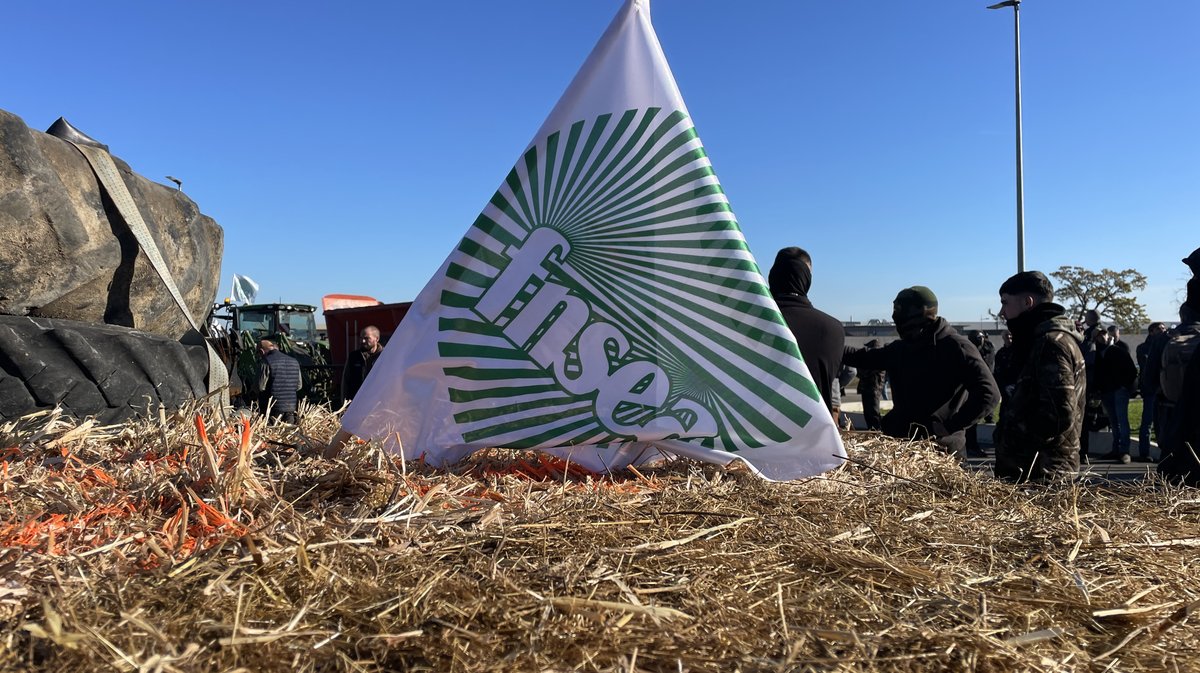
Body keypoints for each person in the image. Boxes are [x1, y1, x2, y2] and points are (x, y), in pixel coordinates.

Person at [842, 286, 999, 459]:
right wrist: (827, 341)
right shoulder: (902, 349)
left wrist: (950, 426)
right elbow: (862, 357)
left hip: (942, 454)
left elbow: (989, 394)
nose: (901, 329)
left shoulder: (956, 347)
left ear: (922, 318)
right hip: (904, 448)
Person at [990, 272, 1086, 482]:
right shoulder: (1036, 341)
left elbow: (1059, 414)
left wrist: (1013, 441)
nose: (1002, 312)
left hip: (1042, 473)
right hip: (1033, 469)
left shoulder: (1051, 343)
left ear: (1027, 302)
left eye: (1005, 303)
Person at [768, 247, 845, 421]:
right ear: (807, 279)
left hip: (754, 438)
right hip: (814, 437)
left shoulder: (748, 322)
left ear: (772, 276)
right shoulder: (832, 329)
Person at [1093, 328, 1137, 463]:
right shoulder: (1097, 354)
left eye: (1103, 335)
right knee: (1114, 421)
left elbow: (1132, 370)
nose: (1102, 338)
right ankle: (1117, 449)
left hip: (1118, 390)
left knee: (1121, 421)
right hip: (1107, 391)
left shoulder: (1117, 351)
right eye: (1098, 336)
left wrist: (1124, 386)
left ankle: (1124, 450)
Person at [1136, 321, 1168, 461]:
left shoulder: (1168, 345)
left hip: (1164, 389)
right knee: (1148, 422)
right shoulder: (1143, 348)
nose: (1163, 330)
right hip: (1151, 390)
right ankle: (1144, 452)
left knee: (1163, 423)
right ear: (1151, 332)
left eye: (1163, 328)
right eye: (1159, 329)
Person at [255, 338, 303, 424]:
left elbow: (260, 387)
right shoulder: (294, 361)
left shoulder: (266, 362)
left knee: (272, 433)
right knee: (288, 434)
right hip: (291, 406)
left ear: (262, 351)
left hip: (273, 408)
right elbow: (299, 386)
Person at [341, 325, 385, 404]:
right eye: (361, 338)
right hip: (357, 403)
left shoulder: (386, 356)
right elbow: (346, 380)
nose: (363, 341)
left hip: (379, 403)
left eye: (366, 338)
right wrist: (344, 403)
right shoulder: (354, 357)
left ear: (377, 339)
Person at [856, 339, 886, 431]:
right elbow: (860, 372)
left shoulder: (879, 360)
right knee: (868, 413)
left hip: (874, 389)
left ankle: (876, 431)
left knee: (873, 413)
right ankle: (872, 430)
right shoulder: (872, 360)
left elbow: (864, 372)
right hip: (868, 389)